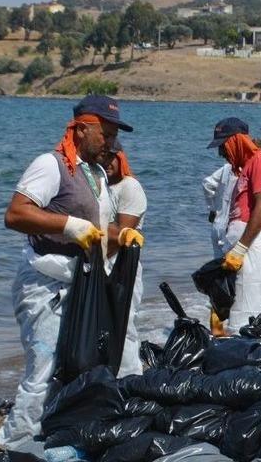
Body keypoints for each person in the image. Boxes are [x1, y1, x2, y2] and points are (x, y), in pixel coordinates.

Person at [0, 95, 143, 460]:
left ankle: (55, 430)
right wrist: (67, 224)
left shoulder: (95, 174)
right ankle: (14, 441)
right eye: (104, 134)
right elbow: (15, 214)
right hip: (45, 281)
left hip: (81, 280)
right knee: (44, 364)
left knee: (79, 361)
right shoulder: (51, 165)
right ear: (80, 128)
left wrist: (119, 235)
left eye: (112, 137)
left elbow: (97, 226)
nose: (109, 143)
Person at [207, 117, 261, 333]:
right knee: (236, 309)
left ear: (235, 141)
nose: (221, 153)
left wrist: (241, 249)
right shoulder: (247, 166)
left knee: (248, 314)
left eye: (223, 146)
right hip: (244, 248)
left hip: (253, 249)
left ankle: (247, 355)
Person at [101, 142, 146, 377]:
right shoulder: (101, 186)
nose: (107, 163)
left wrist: (96, 261)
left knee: (124, 324)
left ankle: (130, 378)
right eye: (103, 158)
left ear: (121, 159)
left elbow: (120, 235)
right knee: (105, 324)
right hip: (105, 264)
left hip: (123, 266)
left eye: (112, 158)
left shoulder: (130, 187)